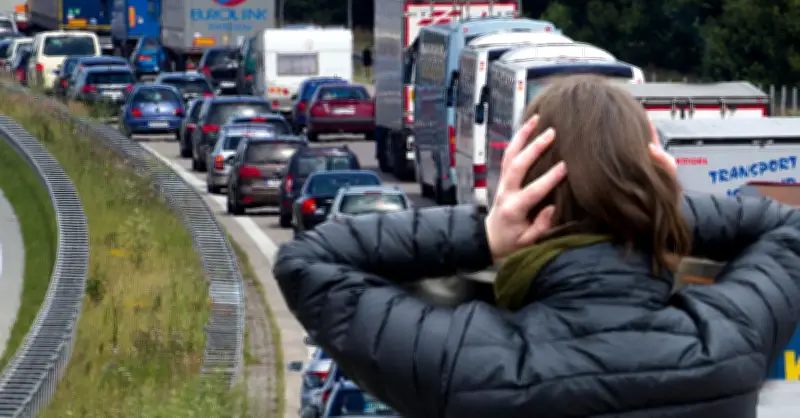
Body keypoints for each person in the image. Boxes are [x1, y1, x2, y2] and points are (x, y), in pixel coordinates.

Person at [274, 75, 800, 417]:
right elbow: (786, 230)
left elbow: (308, 261)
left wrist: (484, 232)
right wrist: (653, 209)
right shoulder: (728, 345)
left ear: (524, 190)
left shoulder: (464, 361)